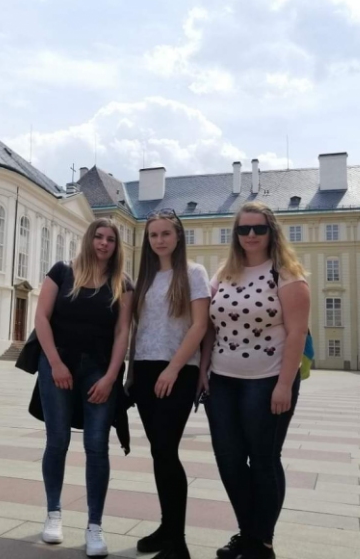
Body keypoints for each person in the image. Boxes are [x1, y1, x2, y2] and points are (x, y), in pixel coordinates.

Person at [200, 201, 310, 559]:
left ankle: (261, 542)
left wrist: (284, 384)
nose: (250, 235)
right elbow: (208, 325)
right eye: (243, 229)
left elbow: (297, 333)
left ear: (271, 232)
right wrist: (202, 370)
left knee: (263, 460)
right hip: (222, 381)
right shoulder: (224, 273)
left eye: (258, 228)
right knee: (229, 460)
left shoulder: (287, 275)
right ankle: (249, 534)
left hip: (267, 380)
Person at [34, 218, 132, 557]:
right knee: (57, 440)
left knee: (97, 446)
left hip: (99, 369)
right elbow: (41, 318)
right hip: (57, 363)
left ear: (116, 246)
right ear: (89, 239)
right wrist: (55, 363)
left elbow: (122, 332)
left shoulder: (122, 283)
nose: (104, 243)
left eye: (111, 239)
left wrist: (111, 377)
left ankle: (94, 526)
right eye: (99, 237)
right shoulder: (62, 272)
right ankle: (53, 514)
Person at [128, 208, 210, 559]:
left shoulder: (193, 273)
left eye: (166, 233)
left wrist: (173, 369)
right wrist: (132, 374)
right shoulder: (145, 278)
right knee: (159, 452)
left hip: (177, 371)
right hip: (145, 370)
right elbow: (138, 328)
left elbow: (200, 325)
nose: (159, 240)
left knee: (166, 450)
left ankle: (178, 543)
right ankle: (167, 528)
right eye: (153, 235)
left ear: (178, 236)